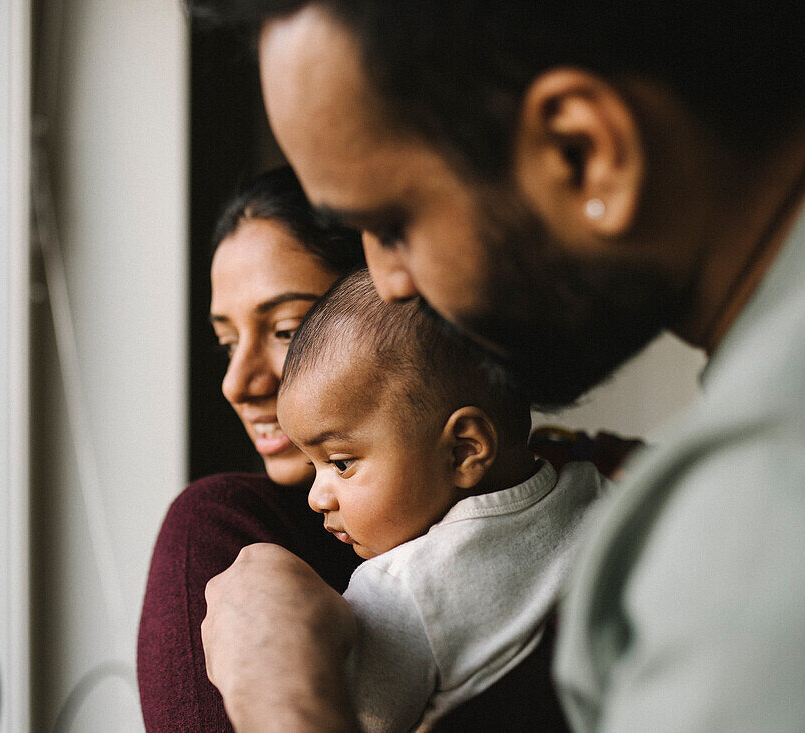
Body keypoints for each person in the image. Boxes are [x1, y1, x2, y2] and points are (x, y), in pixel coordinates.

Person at [186, 2, 805, 732]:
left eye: (394, 226)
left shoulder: (762, 509)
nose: (386, 283)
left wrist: (281, 697)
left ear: (582, 150)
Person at [276, 268, 607, 731]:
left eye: (341, 463)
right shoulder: (595, 492)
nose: (316, 497)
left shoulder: (398, 594)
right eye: (314, 466)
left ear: (464, 450)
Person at [136, 165, 366, 732]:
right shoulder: (225, 532)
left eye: (287, 330)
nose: (236, 384)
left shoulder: (575, 501)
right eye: (227, 343)